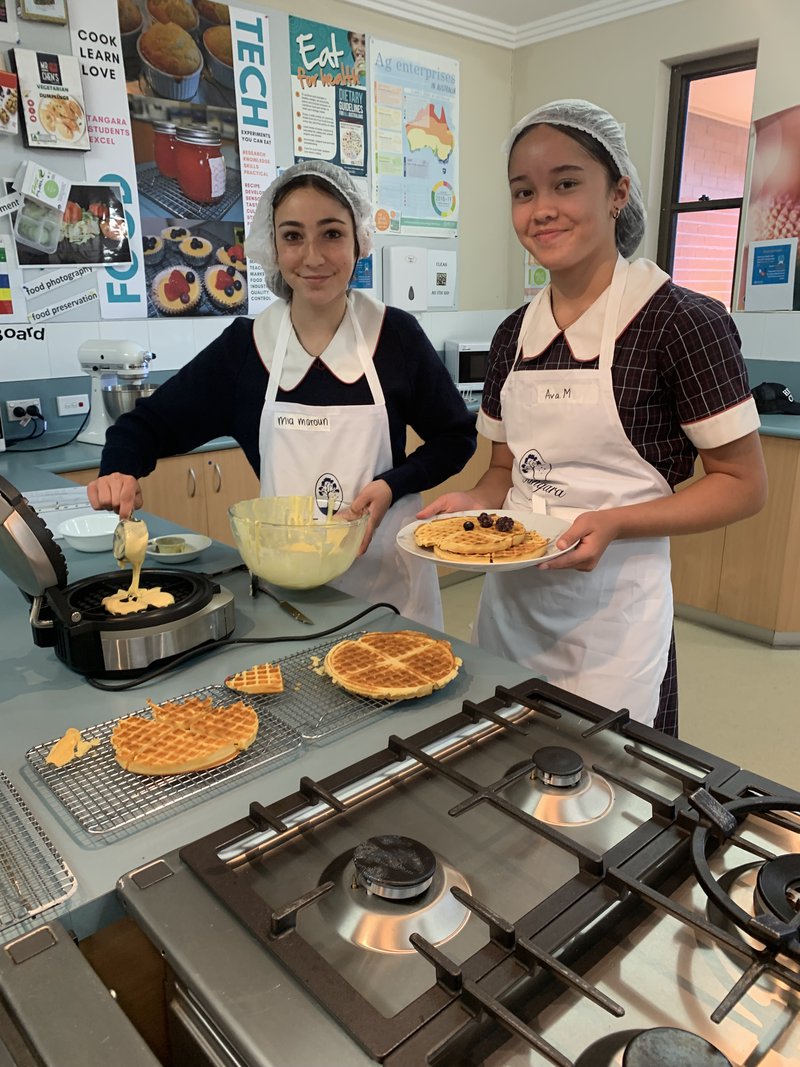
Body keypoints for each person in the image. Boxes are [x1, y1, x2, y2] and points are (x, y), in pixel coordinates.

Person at [418, 99, 767, 734]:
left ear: (619, 191)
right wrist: (471, 500)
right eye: (523, 191)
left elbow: (744, 485)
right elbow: (505, 468)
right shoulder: (511, 336)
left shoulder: (681, 323)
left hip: (617, 623)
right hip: (513, 613)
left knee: (614, 804)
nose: (541, 207)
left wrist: (613, 522)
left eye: (567, 183)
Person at [87, 160, 476, 628]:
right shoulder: (246, 348)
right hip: (288, 593)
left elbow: (456, 438)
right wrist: (120, 469)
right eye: (293, 236)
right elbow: (148, 424)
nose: (312, 256)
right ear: (273, 247)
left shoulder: (395, 335)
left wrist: (393, 484)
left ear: (359, 241)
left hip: (388, 587)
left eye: (331, 233)